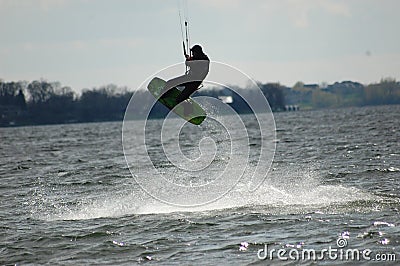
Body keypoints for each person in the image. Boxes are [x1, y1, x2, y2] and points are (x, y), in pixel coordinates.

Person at [163, 45, 210, 111]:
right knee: (170, 83)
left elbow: (196, 67)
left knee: (180, 99)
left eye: (194, 53)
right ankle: (164, 94)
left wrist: (189, 61)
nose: (193, 54)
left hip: (195, 83)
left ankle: (188, 108)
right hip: (188, 78)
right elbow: (189, 63)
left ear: (198, 52)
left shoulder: (205, 60)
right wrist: (188, 60)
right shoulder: (194, 58)